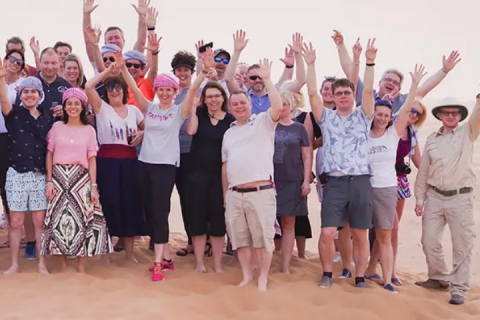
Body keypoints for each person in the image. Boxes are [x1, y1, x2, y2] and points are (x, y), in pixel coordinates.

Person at [119, 47, 214, 281]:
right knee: (150, 210)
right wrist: (122, 67)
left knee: (160, 212)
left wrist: (203, 71)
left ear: (174, 91)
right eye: (160, 89)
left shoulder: (178, 111)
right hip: (145, 164)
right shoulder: (149, 108)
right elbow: (132, 86)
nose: (163, 93)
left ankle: (159, 263)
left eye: (168, 89)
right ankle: (168, 257)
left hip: (165, 167)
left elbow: (192, 90)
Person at [306, 40, 374, 289]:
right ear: (333, 96)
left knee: (360, 233)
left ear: (351, 95)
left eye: (347, 92)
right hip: (334, 181)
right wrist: (310, 64)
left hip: (360, 181)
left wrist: (369, 62)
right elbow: (313, 92)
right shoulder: (326, 117)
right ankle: (326, 273)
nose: (343, 96)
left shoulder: (363, 115)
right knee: (327, 232)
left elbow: (367, 92)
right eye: (339, 93)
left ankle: (360, 277)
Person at [363, 59, 426, 292]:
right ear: (373, 115)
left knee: (385, 233)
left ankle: (388, 279)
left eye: (385, 115)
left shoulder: (394, 133)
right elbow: (367, 92)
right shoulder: (364, 132)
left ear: (391, 118)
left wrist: (416, 84)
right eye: (377, 114)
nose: (381, 118)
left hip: (387, 189)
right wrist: (367, 62)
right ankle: (363, 272)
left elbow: (409, 107)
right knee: (359, 233)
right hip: (363, 187)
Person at [221, 58, 283, 291]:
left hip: (261, 192)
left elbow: (277, 108)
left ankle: (263, 278)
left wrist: (267, 79)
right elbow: (225, 165)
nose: (238, 107)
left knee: (263, 240)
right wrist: (226, 194)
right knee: (241, 240)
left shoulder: (263, 122)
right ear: (231, 108)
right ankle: (247, 276)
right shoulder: (228, 134)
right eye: (234, 104)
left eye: (242, 103)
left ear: (250, 105)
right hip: (235, 194)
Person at [414, 96, 480, 305]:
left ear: (460, 116)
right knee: (429, 240)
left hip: (460, 197)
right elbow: (424, 171)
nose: (451, 116)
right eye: (447, 113)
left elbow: (478, 115)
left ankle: (458, 288)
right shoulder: (432, 139)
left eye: (455, 113)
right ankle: (439, 277)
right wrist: (419, 198)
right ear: (440, 116)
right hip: (434, 196)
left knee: (462, 244)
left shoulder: (467, 132)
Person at [41, 88, 112, 272]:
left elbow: (92, 159)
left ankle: (81, 264)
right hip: (58, 177)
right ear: (64, 107)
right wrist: (49, 181)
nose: (73, 107)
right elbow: (49, 154)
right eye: (69, 103)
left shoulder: (89, 130)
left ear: (82, 107)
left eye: (76, 103)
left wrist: (93, 185)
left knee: (82, 219)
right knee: (60, 219)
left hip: (80, 178)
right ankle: (63, 261)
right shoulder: (56, 127)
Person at [85, 64, 147, 263]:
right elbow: (88, 87)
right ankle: (105, 254)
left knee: (130, 205)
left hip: (129, 162)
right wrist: (109, 72)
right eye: (110, 88)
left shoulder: (134, 111)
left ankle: (129, 255)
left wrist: (143, 133)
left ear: (124, 89)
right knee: (108, 205)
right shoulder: (102, 108)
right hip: (106, 163)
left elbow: (151, 129)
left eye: (117, 87)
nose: (114, 91)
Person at [0, 73, 51, 275]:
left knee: (39, 221)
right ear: (20, 95)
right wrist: (1, 78)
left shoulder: (48, 117)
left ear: (40, 95)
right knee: (16, 222)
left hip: (39, 175)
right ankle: (14, 264)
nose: (29, 95)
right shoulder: (13, 114)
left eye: (33, 91)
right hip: (16, 174)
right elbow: (3, 98)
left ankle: (42, 263)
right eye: (26, 91)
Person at [186, 80, 235, 273]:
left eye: (217, 96)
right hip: (196, 176)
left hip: (221, 177)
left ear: (223, 98)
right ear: (204, 100)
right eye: (209, 97)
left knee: (218, 222)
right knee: (197, 220)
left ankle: (217, 263)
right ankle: (199, 263)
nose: (213, 100)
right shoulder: (198, 114)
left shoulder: (230, 120)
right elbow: (190, 131)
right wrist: (192, 108)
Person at [273, 90, 311, 274]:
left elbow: (306, 155)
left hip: (293, 181)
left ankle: (285, 266)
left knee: (288, 224)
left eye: (285, 104)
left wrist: (306, 181)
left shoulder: (299, 128)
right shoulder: (268, 125)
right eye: (279, 104)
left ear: (292, 106)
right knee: (265, 223)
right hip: (269, 180)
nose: (282, 108)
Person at [170, 50, 197, 257]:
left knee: (192, 199)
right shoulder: (169, 93)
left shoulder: (198, 92)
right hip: (171, 152)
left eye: (186, 70)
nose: (182, 73)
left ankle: (194, 242)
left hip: (193, 152)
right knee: (177, 199)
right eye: (178, 70)